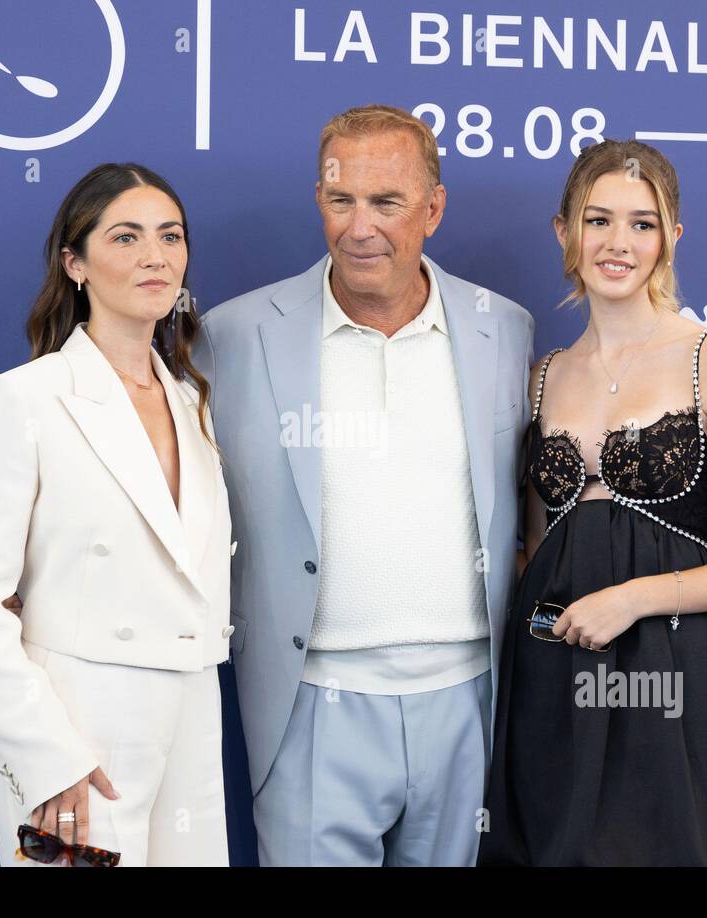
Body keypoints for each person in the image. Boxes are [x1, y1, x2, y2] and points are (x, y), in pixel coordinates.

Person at [193, 105, 535, 865]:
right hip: (308, 705)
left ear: (434, 209)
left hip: (468, 702)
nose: (359, 227)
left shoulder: (503, 329)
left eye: (387, 202)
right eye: (340, 200)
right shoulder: (234, 333)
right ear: (319, 198)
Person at [479, 139, 707, 866]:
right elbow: (539, 550)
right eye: (597, 221)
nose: (617, 243)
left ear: (672, 237)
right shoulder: (541, 377)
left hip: (674, 676)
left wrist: (634, 597)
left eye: (642, 223)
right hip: (555, 673)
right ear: (564, 231)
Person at [0, 163, 232, 867]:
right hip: (77, 726)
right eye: (126, 237)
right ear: (75, 263)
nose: (155, 256)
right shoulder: (25, 399)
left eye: (170, 236)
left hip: (191, 712)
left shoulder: (195, 403)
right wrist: (46, 755)